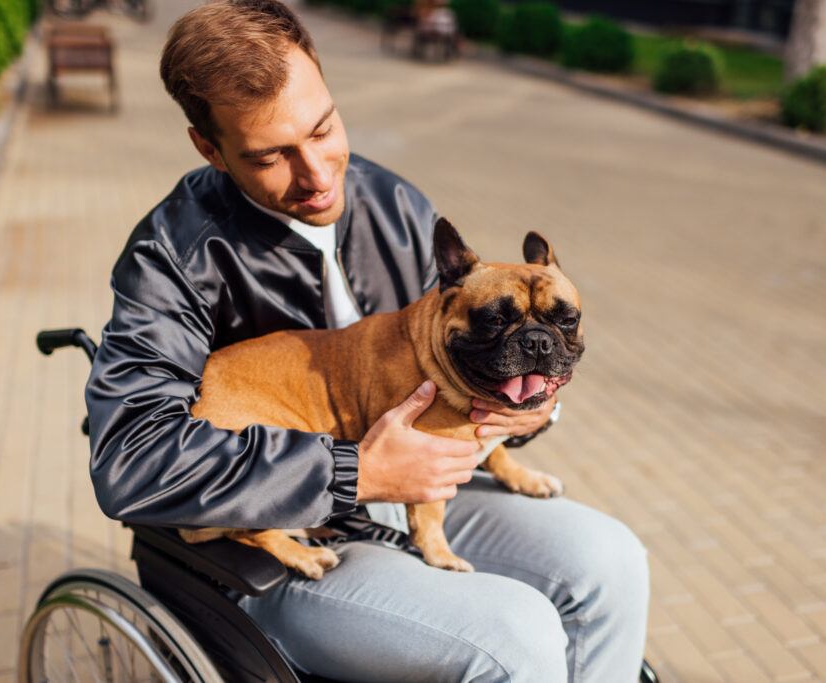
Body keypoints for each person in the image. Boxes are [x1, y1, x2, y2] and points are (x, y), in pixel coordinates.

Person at [85, 1, 649, 680]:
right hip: (264, 548)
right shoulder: (171, 255)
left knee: (611, 559)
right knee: (515, 634)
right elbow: (130, 458)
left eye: (323, 129)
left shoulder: (393, 202)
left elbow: (468, 360)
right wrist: (352, 471)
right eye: (271, 156)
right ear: (209, 147)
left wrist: (526, 411)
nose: (319, 175)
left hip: (423, 495)